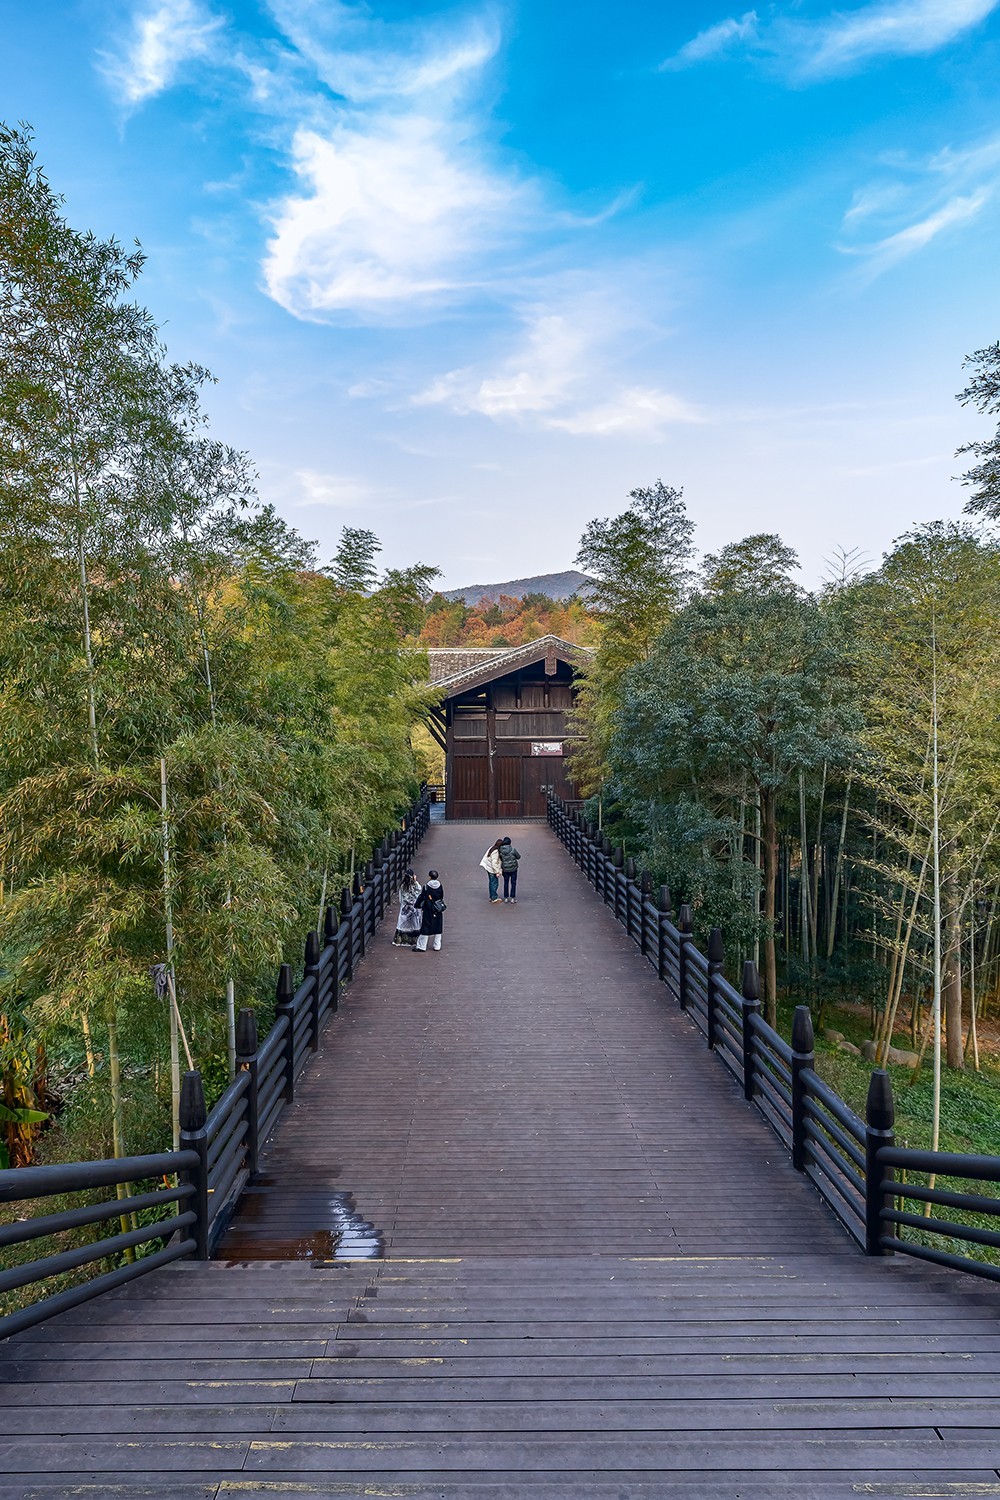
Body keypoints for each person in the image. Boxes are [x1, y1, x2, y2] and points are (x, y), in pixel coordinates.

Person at [415, 869, 445, 951]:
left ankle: (421, 946)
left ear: (429, 877)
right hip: (437, 909)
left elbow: (422, 897)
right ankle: (437, 946)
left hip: (428, 909)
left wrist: (417, 905)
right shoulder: (440, 886)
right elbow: (441, 896)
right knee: (438, 927)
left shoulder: (426, 887)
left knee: (425, 927)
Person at [392, 869, 422, 947]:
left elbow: (401, 898)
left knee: (403, 923)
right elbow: (419, 891)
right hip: (414, 908)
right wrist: (415, 881)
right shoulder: (415, 885)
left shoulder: (402, 886)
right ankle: (414, 940)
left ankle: (400, 940)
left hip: (405, 907)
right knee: (414, 924)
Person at [479, 839, 503, 903]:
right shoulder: (496, 852)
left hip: (488, 867)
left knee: (491, 882)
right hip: (492, 869)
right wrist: (497, 872)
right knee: (494, 883)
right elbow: (494, 863)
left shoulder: (492, 848)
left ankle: (492, 896)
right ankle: (494, 898)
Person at [499, 836, 521, 902]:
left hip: (505, 869)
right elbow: (518, 857)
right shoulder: (513, 850)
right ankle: (512, 898)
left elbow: (500, 859)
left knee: (506, 883)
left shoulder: (501, 850)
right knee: (513, 883)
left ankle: (506, 897)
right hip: (513, 868)